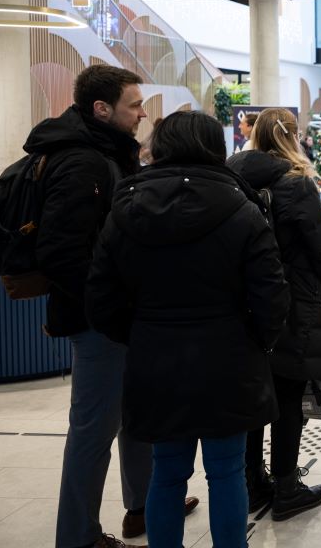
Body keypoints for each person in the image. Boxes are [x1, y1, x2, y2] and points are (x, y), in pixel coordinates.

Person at [85, 111, 288, 548]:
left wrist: (140, 333)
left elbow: (100, 297)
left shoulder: (124, 206)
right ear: (217, 148)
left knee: (168, 469)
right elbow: (272, 295)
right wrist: (257, 341)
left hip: (155, 357)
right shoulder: (242, 206)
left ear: (159, 146)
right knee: (226, 469)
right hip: (229, 357)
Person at [22, 66, 165, 548]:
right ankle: (78, 535)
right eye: (134, 106)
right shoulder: (82, 162)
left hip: (121, 316)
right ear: (101, 109)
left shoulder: (106, 151)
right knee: (92, 430)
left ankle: (142, 505)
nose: (143, 114)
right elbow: (61, 253)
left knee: (136, 412)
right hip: (100, 321)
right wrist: (107, 308)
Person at [227, 108, 321, 521]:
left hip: (245, 304)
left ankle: (253, 484)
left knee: (256, 393)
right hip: (292, 300)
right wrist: (320, 291)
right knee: (289, 396)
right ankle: (287, 488)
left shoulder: (230, 178)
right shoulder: (296, 185)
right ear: (293, 136)